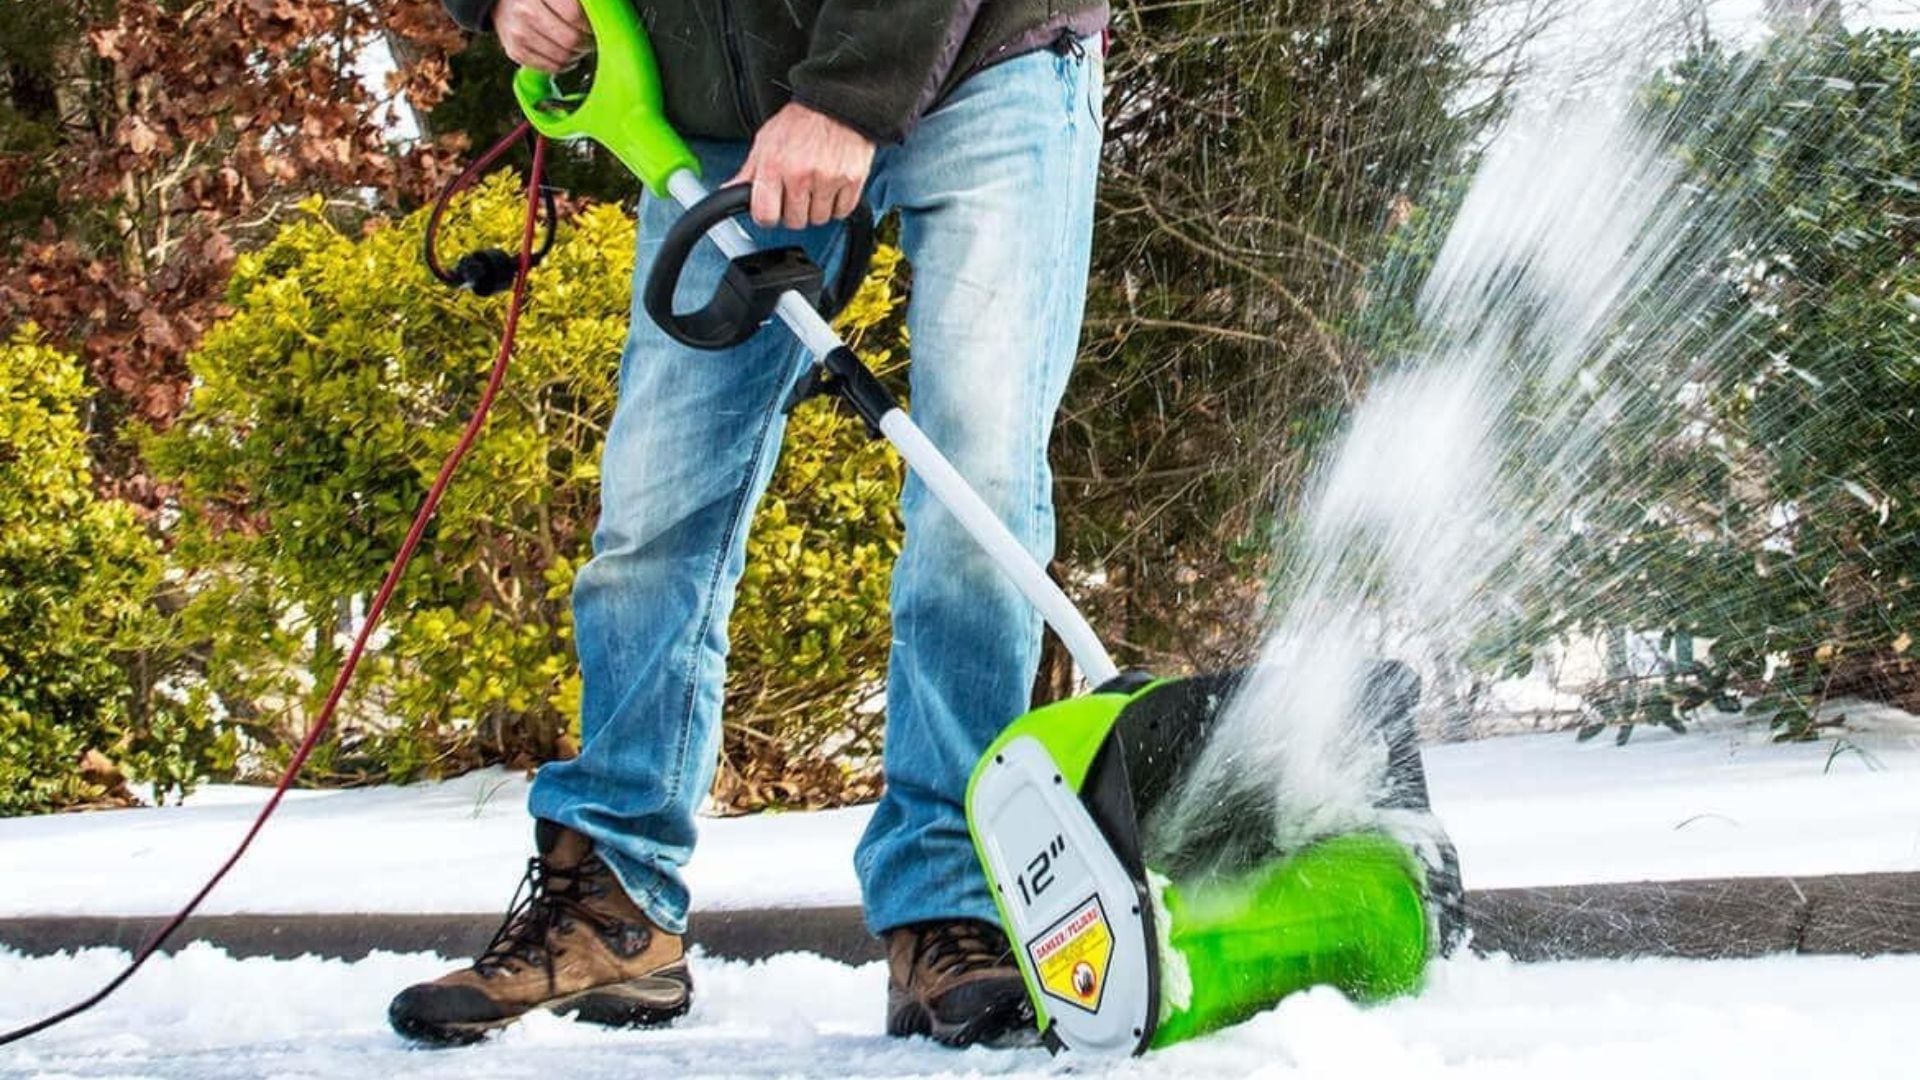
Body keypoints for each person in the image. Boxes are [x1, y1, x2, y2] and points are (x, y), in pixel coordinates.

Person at [387, 0, 1107, 1049]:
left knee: (973, 492)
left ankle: (949, 902)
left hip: (982, 65)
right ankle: (612, 910)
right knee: (657, 509)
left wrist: (847, 97)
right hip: (719, 103)